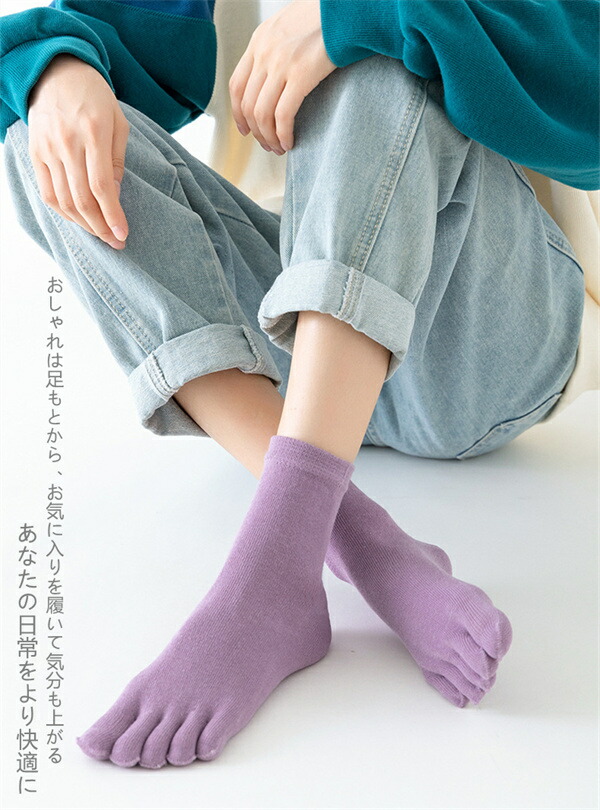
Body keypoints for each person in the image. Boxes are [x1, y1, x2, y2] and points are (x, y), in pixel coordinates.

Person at [1, 0, 598, 771]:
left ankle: (269, 573)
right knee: (37, 138)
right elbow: (104, 33)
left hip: (480, 344)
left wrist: (366, 15)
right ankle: (358, 542)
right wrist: (59, 69)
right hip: (291, 337)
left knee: (378, 55)